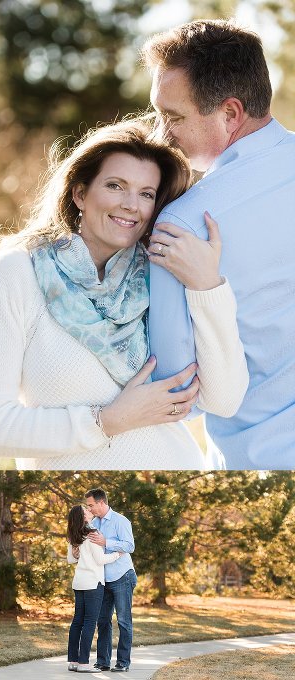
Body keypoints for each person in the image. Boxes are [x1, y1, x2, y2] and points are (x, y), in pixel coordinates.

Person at [0, 118, 248, 469]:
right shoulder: (19, 272)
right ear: (80, 193)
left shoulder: (165, 272)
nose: (131, 205)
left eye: (146, 194)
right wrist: (108, 421)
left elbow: (225, 400)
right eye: (115, 185)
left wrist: (206, 286)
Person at [144, 19, 295, 469]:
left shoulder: (181, 224)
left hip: (260, 462)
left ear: (230, 113)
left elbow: (177, 391)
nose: (160, 134)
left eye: (173, 117)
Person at [83, 489, 136, 673]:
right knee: (103, 621)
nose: (89, 508)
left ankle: (123, 662)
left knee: (123, 621)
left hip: (122, 576)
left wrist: (107, 542)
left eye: (90, 505)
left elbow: (130, 546)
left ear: (101, 502)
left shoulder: (120, 521)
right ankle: (103, 661)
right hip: (102, 581)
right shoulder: (93, 523)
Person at [66, 504, 123, 673]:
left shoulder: (74, 535)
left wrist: (77, 553)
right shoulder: (92, 533)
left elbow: (70, 559)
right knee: (90, 622)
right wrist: (118, 554)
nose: (89, 511)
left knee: (77, 621)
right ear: (83, 517)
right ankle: (84, 663)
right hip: (93, 583)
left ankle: (74, 661)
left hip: (79, 583)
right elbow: (100, 560)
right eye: (86, 510)